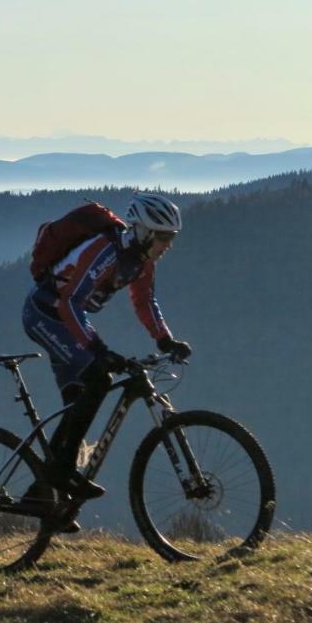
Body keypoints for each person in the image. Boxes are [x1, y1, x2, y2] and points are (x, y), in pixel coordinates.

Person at [23, 193, 192, 506]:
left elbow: (144, 301)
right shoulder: (105, 251)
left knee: (77, 405)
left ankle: (40, 496)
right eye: (164, 237)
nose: (168, 245)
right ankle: (60, 473)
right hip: (44, 315)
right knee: (99, 381)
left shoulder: (142, 261)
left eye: (173, 238)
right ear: (144, 232)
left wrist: (164, 339)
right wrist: (95, 347)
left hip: (68, 321)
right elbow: (68, 301)